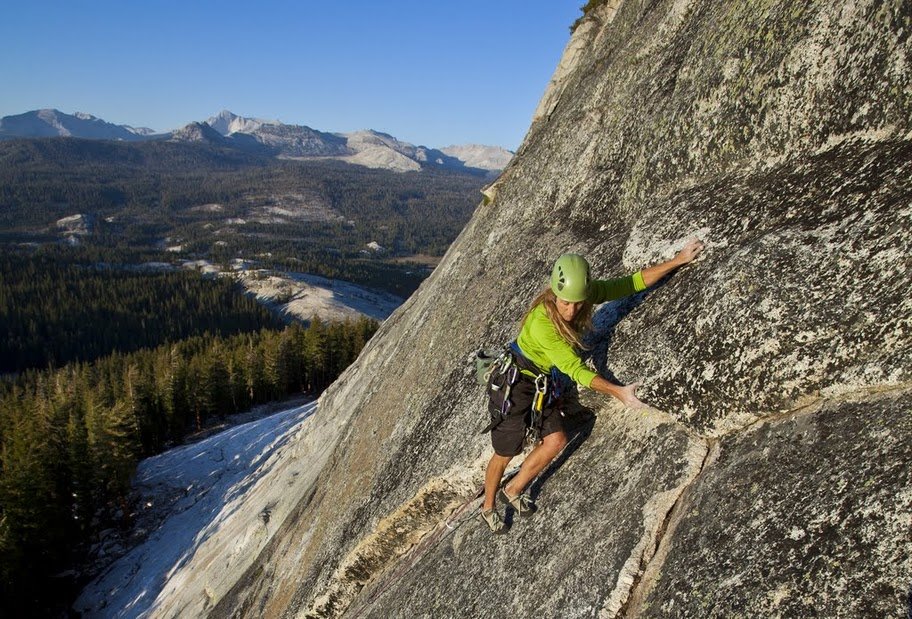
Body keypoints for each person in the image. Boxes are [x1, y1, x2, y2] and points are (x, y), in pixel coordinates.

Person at [480, 239, 704, 534]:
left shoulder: (584, 295)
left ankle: (513, 490)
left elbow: (629, 284)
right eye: (565, 302)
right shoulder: (542, 324)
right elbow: (575, 369)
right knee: (505, 452)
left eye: (577, 303)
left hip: (541, 384)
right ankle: (488, 507)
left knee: (556, 441)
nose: (571, 311)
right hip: (517, 385)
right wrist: (618, 391)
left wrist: (677, 261)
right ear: (555, 294)